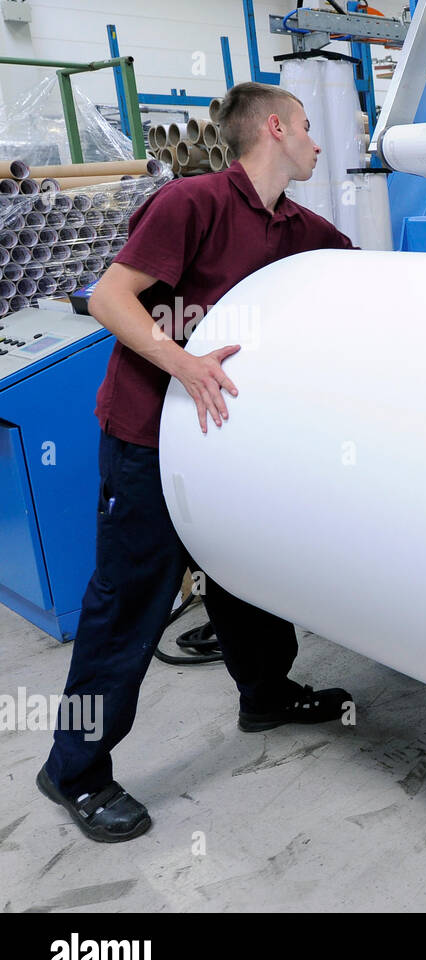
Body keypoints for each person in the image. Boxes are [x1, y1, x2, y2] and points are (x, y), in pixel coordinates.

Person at [37, 82, 357, 843]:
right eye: (309, 128)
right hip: (148, 434)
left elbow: (359, 284)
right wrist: (179, 360)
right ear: (274, 128)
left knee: (246, 569)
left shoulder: (299, 228)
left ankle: (265, 692)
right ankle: (72, 768)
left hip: (226, 436)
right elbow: (111, 297)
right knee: (126, 604)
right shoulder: (192, 204)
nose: (318, 142)